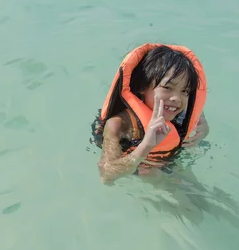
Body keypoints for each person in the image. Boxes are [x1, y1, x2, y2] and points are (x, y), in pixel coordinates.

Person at [90, 43, 209, 184]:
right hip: (137, 166)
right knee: (151, 174)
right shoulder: (119, 125)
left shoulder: (179, 109)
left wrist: (203, 129)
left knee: (199, 195)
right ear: (142, 87)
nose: (177, 98)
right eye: (167, 88)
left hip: (168, 160)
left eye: (185, 91)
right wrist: (146, 145)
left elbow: (197, 113)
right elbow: (106, 175)